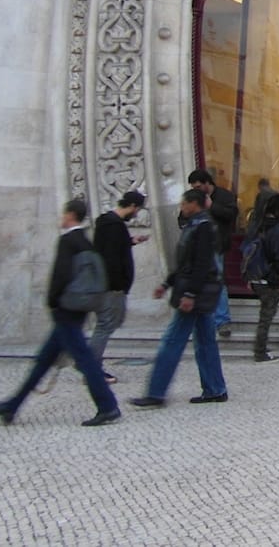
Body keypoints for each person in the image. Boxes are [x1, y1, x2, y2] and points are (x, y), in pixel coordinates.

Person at [0, 199, 122, 427]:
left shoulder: (67, 241)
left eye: (64, 213)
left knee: (85, 361)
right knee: (43, 361)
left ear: (70, 215)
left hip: (66, 309)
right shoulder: (86, 242)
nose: (62, 217)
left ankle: (108, 406)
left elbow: (61, 274)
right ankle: (11, 406)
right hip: (80, 307)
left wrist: (52, 300)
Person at [130, 189, 228, 407]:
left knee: (172, 341)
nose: (181, 206)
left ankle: (156, 392)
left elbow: (201, 264)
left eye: (184, 203)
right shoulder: (196, 225)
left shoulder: (203, 227)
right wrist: (167, 283)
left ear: (195, 204)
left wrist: (190, 294)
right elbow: (186, 263)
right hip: (195, 291)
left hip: (195, 295)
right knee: (205, 342)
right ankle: (215, 388)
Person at [88, 189, 150, 384]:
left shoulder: (106, 223)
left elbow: (110, 248)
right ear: (132, 206)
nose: (136, 214)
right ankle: (91, 367)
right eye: (137, 210)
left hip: (105, 284)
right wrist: (118, 285)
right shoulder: (115, 226)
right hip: (112, 286)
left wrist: (131, 241)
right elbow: (112, 258)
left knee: (107, 323)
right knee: (106, 324)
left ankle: (89, 362)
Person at [187, 168, 238, 339]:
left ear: (208, 183)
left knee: (218, 280)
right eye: (194, 187)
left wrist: (211, 206)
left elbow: (231, 215)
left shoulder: (224, 196)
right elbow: (183, 217)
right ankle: (203, 318)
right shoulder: (193, 198)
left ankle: (222, 321)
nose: (197, 190)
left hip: (216, 245)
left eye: (199, 186)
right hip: (197, 246)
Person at [244, 184, 279, 362]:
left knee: (264, 315)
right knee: (266, 316)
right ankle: (260, 351)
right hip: (269, 278)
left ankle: (260, 348)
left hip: (256, 276)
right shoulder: (277, 231)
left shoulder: (255, 227)